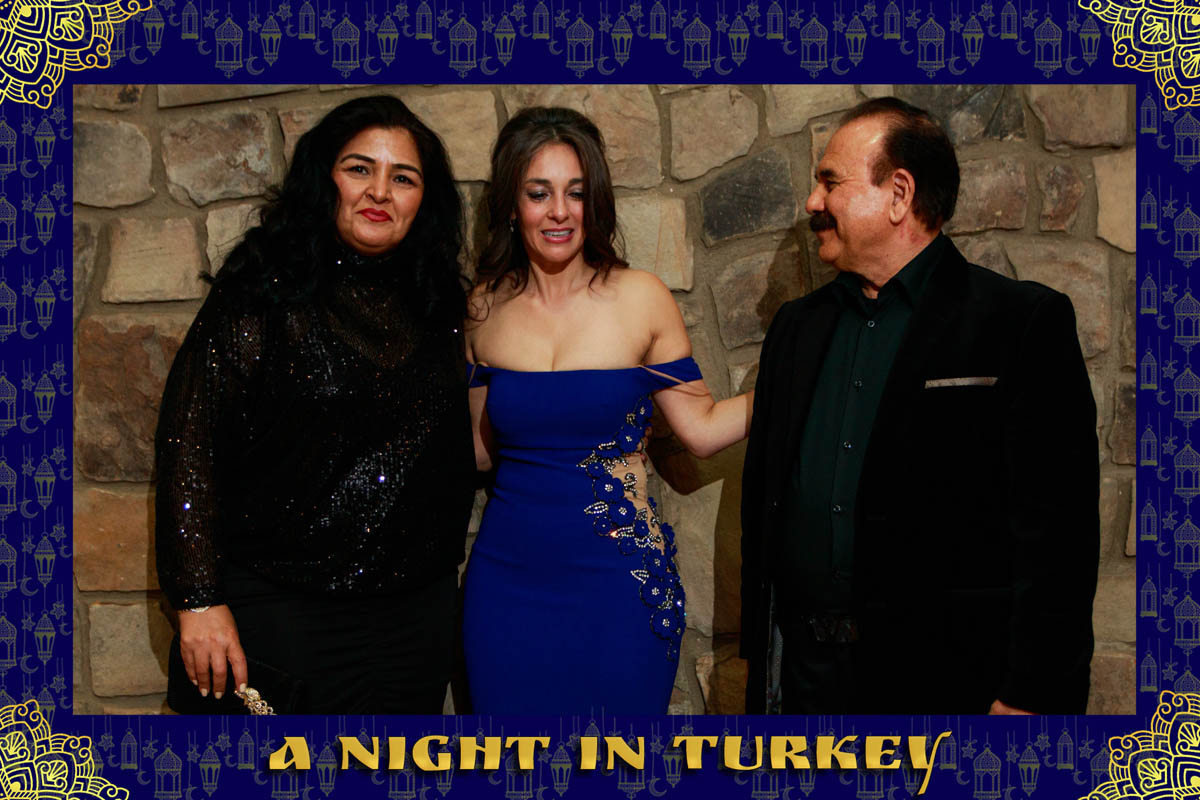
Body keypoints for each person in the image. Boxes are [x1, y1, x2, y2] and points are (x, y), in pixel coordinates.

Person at [740, 97, 1099, 715]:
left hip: (947, 684)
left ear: (899, 194)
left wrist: (1031, 693)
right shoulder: (796, 328)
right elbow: (765, 500)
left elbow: (1058, 537)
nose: (812, 201)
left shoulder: (1019, 323)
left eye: (830, 182)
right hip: (802, 683)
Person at [155, 95, 475, 714]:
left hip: (413, 624)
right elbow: (188, 444)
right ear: (324, 178)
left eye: (403, 178)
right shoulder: (262, 290)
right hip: (280, 614)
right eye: (359, 169)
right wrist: (197, 600)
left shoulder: (438, 302)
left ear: (424, 200)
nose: (379, 191)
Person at [462, 106, 752, 714]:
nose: (560, 212)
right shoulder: (484, 308)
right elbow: (478, 452)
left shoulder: (641, 297)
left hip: (619, 584)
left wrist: (797, 379)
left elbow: (700, 430)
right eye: (539, 193)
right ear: (512, 204)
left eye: (576, 193)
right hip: (507, 585)